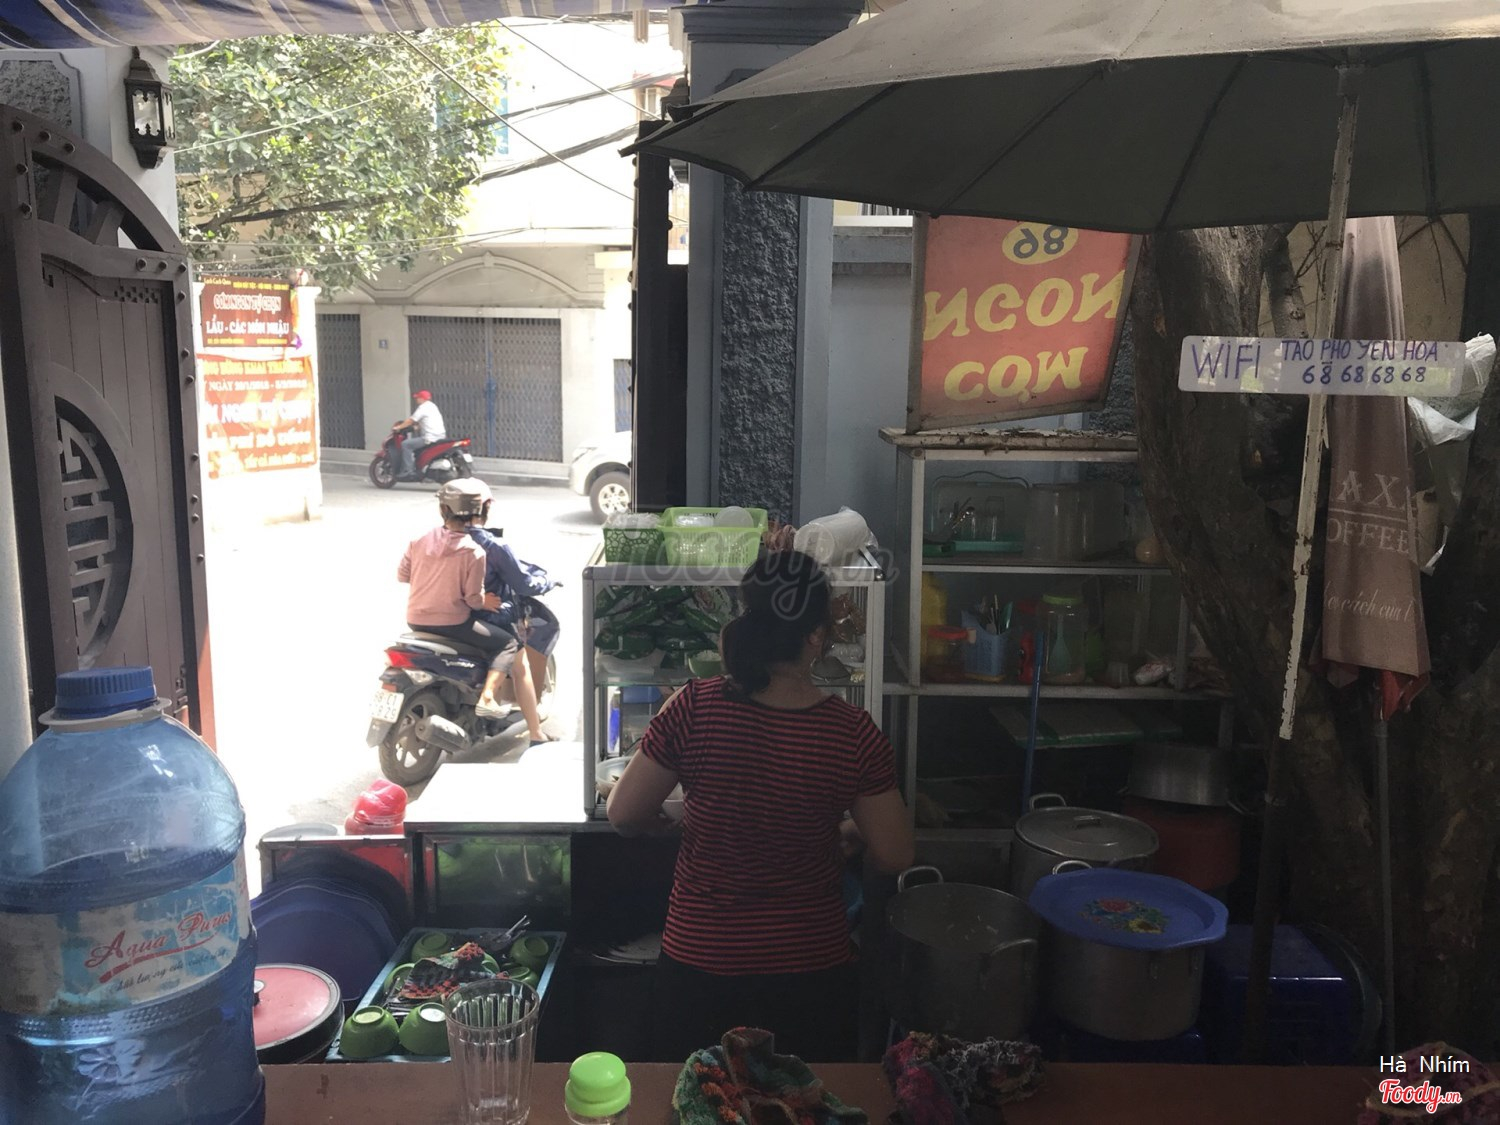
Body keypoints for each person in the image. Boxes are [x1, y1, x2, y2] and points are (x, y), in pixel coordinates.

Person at [607, 549, 914, 1062]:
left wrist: (666, 823)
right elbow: (896, 854)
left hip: (701, 964)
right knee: (805, 1100)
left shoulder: (694, 706)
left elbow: (623, 815)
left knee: (698, 1098)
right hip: (809, 972)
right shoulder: (851, 733)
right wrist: (846, 832)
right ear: (815, 636)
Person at [397, 478, 551, 743]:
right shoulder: (476, 551)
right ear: (483, 509)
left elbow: (403, 575)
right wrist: (486, 602)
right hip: (454, 623)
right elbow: (473, 599)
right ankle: (490, 699)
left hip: (415, 620)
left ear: (443, 510)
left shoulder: (419, 540)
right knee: (509, 645)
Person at [467, 521, 559, 707]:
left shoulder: (432, 541)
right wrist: (548, 582)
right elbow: (524, 584)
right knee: (513, 650)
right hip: (474, 617)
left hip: (425, 616)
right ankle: (527, 719)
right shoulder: (489, 546)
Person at [392, 389, 446, 481]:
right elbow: (426, 422)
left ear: (422, 398)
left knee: (406, 445)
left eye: (417, 398)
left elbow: (411, 420)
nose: (416, 400)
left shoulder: (423, 408)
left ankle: (408, 470)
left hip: (429, 437)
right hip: (440, 437)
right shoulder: (433, 406)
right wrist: (414, 428)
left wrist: (399, 427)